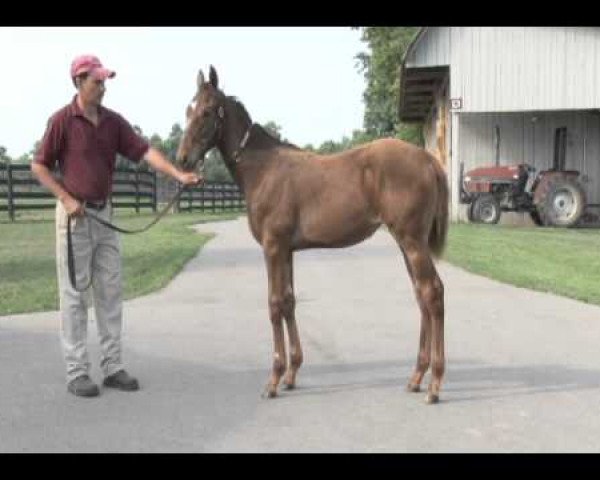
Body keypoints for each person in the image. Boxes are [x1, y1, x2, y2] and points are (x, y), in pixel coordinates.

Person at [31, 54, 201, 398]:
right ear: (79, 82)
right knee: (75, 295)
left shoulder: (113, 123)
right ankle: (77, 371)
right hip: (73, 219)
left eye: (104, 81)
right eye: (97, 81)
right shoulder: (61, 121)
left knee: (110, 292)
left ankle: (112, 367)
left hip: (104, 216)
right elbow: (39, 166)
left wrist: (178, 174)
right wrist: (65, 198)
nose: (103, 87)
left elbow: (145, 152)